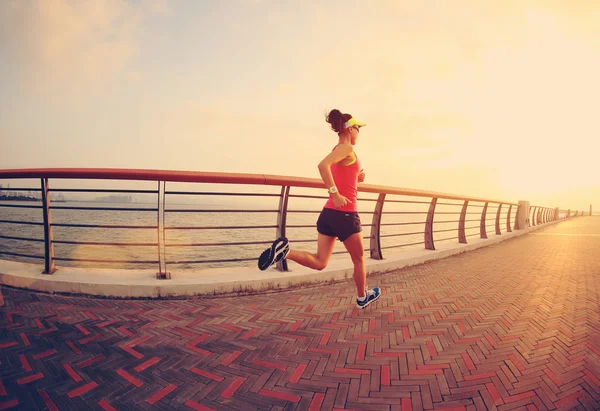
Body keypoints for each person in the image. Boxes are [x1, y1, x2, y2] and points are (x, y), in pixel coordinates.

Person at [258, 109, 381, 309]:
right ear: (350, 129)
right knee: (359, 259)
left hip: (329, 214)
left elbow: (339, 174)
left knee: (320, 261)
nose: (359, 133)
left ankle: (285, 252)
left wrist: (355, 178)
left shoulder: (339, 149)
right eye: (359, 129)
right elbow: (323, 166)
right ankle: (362, 297)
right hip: (346, 214)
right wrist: (335, 193)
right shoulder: (346, 148)